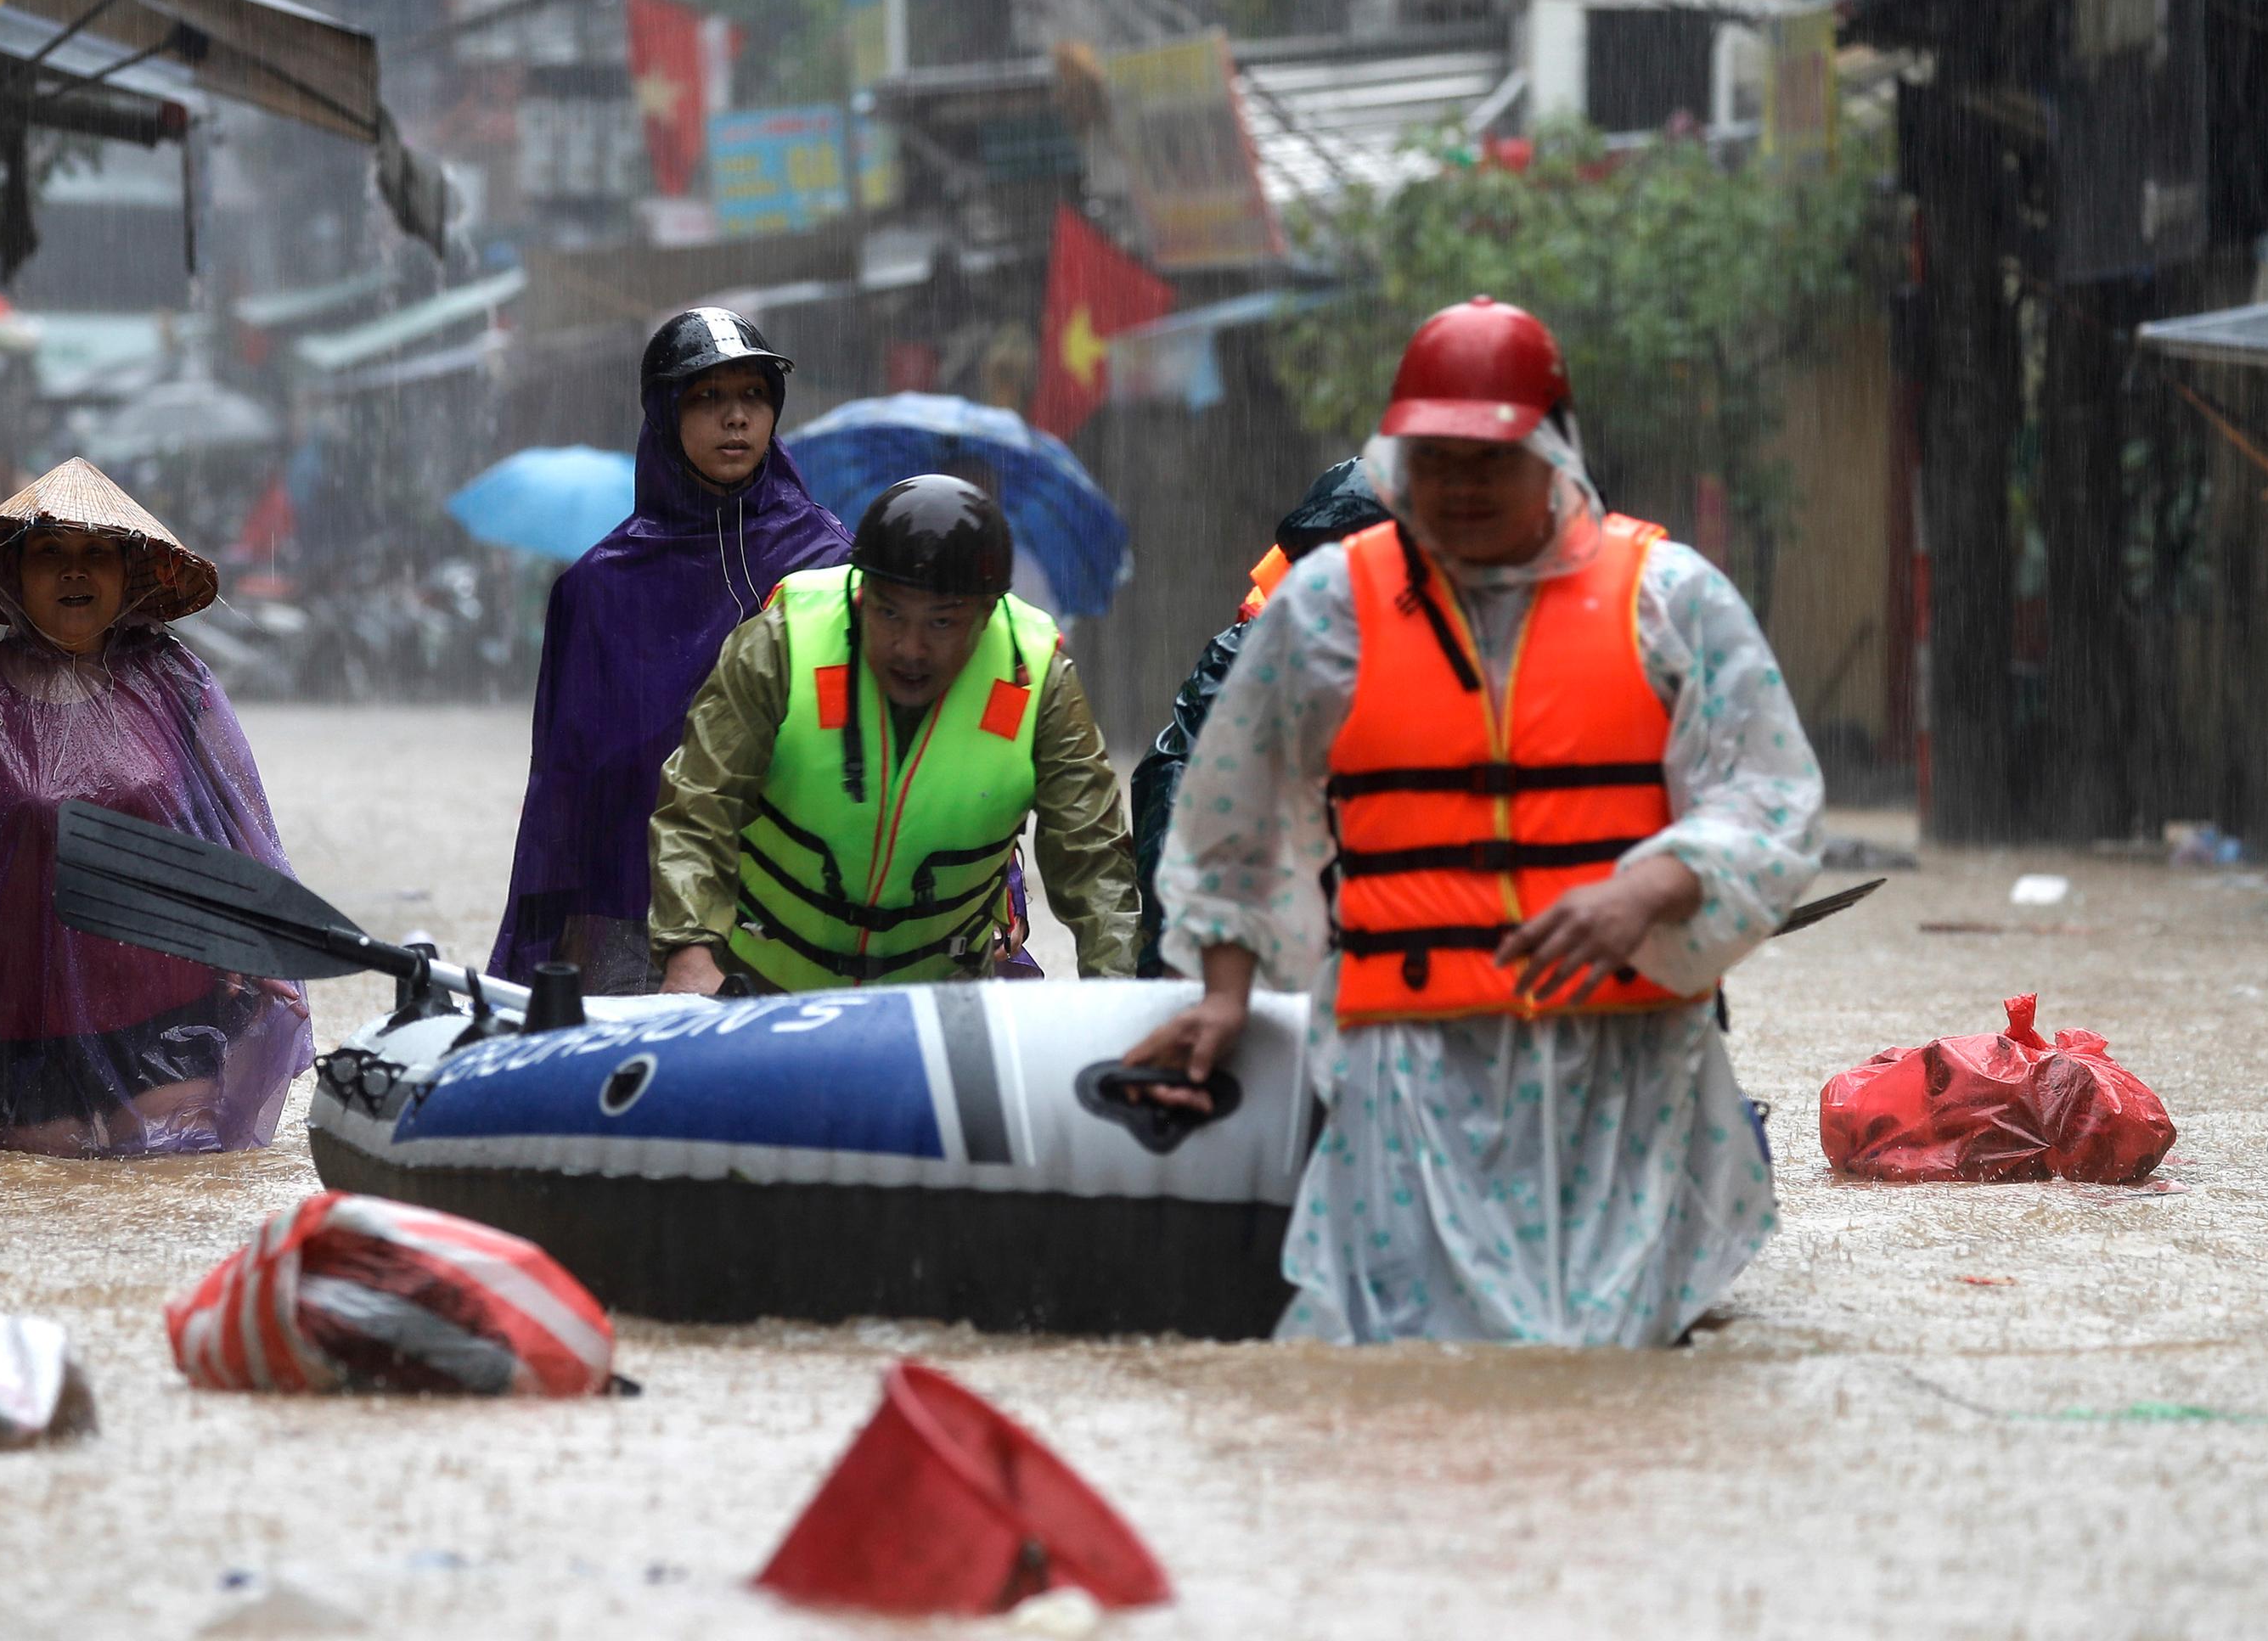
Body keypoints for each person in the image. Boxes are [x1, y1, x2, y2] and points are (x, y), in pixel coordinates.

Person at [1125, 298, 1823, 1347]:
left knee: (1613, 1395)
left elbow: (1770, 798)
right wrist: (1225, 992)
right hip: (1403, 1077)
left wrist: (1651, 886)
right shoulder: (1324, 612)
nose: (1455, 489)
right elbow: (1228, 815)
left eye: (1487, 461)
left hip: (1627, 1078)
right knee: (1414, 1387)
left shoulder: (1669, 601)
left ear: (1553, 452)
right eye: (1432, 461)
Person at [0, 458, 312, 1159]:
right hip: (23, 1020)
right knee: (35, 1207)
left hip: (172, 1008)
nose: (74, 572)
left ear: (127, 573)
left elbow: (237, 824)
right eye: (50, 554)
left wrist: (255, 939)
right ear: (13, 575)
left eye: (95, 554)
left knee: (167, 1202)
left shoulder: (175, 681)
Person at [647, 475, 1138, 992]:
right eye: (889, 612)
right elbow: (699, 803)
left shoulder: (1040, 680)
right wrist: (689, 954)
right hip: (760, 984)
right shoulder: (778, 644)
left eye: (942, 623)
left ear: (987, 613)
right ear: (861, 594)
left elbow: (1095, 857)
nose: (911, 648)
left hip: (935, 1001)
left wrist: (1118, 997)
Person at [486, 307, 853, 992]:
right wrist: (564, 937)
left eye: (752, 396)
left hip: (791, 890)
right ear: (664, 413)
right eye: (707, 398)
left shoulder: (827, 562)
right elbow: (568, 787)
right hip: (632, 902)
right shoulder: (597, 589)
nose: (735, 418)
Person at [1129, 458, 1387, 975]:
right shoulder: (1247, 652)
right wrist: (1177, 950)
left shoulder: (1466, 659)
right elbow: (1175, 785)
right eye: (1323, 560)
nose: (1339, 583)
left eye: (1359, 559)